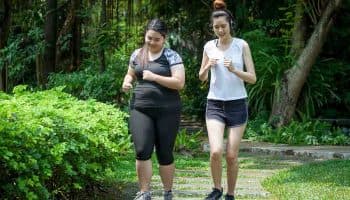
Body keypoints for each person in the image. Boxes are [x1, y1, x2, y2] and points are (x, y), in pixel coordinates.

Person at [121, 18, 185, 200]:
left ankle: (167, 192)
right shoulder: (137, 54)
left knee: (165, 152)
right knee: (142, 150)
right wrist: (127, 82)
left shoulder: (172, 56)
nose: (152, 42)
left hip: (168, 110)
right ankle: (144, 192)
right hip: (140, 108)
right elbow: (130, 73)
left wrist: (154, 77)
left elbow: (179, 83)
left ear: (164, 39)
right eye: (149, 38)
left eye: (156, 39)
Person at [198, 0, 256, 200]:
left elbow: (253, 78)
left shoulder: (241, 45)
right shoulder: (208, 47)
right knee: (215, 152)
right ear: (212, 28)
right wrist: (207, 67)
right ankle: (216, 189)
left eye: (223, 26)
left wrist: (234, 70)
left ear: (231, 24)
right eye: (216, 27)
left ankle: (230, 194)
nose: (220, 30)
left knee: (231, 155)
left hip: (237, 104)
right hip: (215, 104)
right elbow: (201, 77)